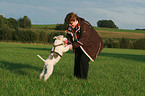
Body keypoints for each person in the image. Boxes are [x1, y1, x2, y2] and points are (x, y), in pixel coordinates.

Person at [65, 12, 103, 79]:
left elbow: (83, 40)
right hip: (80, 44)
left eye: (71, 23)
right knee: (77, 58)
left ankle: (83, 79)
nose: (70, 25)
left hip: (92, 45)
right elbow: (69, 37)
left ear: (75, 20)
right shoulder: (70, 27)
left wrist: (72, 45)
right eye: (68, 23)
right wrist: (67, 43)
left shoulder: (85, 25)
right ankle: (76, 77)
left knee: (83, 60)